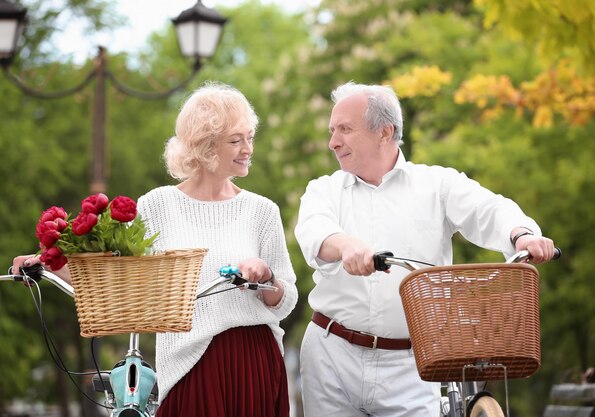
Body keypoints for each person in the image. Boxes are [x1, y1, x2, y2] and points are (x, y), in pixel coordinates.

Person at [13, 81, 298, 417]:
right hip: (188, 362)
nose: (248, 148)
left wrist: (266, 277)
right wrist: (45, 263)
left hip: (252, 359)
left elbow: (286, 300)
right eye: (236, 140)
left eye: (250, 137)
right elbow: (115, 278)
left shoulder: (261, 210)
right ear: (205, 146)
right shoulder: (158, 205)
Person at [294, 81, 555, 417]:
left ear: (384, 132)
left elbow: (488, 208)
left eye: (344, 129)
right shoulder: (324, 190)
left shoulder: (437, 184)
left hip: (410, 364)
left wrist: (522, 236)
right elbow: (316, 230)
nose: (333, 142)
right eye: (332, 130)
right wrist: (346, 246)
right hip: (331, 355)